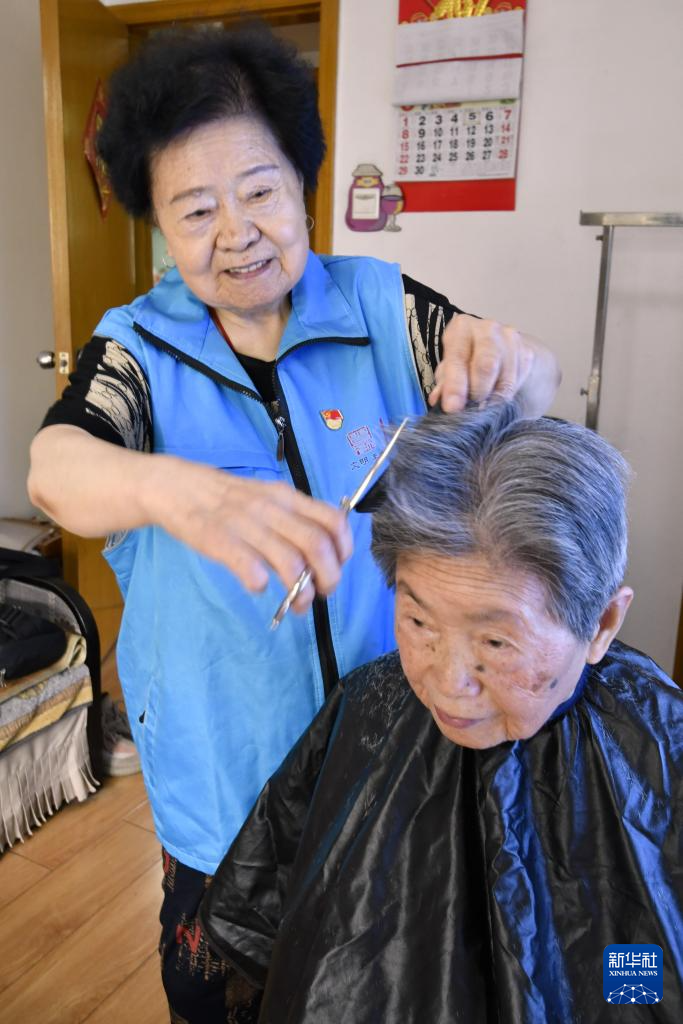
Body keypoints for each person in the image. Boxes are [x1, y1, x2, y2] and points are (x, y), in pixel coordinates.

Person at [27, 22, 559, 1020]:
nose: (236, 232)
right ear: (158, 224)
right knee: (228, 992)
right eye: (195, 210)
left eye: (260, 192)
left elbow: (526, 385)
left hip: (390, 760)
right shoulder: (136, 348)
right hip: (225, 787)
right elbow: (53, 469)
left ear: (301, 187)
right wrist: (175, 490)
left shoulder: (377, 303)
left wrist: (515, 364)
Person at [199, 404, 683, 1024]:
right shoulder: (369, 708)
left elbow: (640, 960)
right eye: (418, 621)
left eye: (496, 642)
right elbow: (287, 912)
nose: (450, 687)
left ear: (603, 624)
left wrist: (609, 991)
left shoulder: (654, 741)